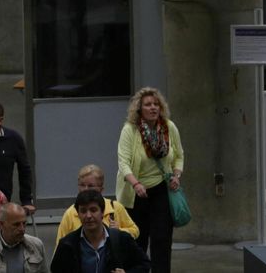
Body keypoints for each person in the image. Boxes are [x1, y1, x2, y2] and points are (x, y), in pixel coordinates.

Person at [116, 88, 182, 273]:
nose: (153, 108)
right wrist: (135, 183)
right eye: (148, 104)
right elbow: (123, 162)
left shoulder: (169, 127)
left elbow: (179, 156)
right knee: (138, 239)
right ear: (139, 109)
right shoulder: (129, 130)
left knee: (162, 239)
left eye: (156, 104)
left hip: (161, 190)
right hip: (136, 192)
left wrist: (176, 175)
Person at [50, 189, 152, 273]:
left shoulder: (121, 239)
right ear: (78, 214)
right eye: (83, 211)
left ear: (103, 212)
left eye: (93, 210)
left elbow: (144, 264)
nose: (88, 216)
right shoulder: (67, 244)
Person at [55, 165, 140, 242]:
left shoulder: (115, 207)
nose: (85, 189)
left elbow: (135, 231)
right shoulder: (70, 213)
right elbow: (60, 247)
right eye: (82, 185)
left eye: (90, 186)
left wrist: (120, 231)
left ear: (101, 189)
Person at [0, 203, 49, 273]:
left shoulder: (37, 245)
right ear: (1, 224)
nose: (22, 229)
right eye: (16, 224)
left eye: (24, 223)